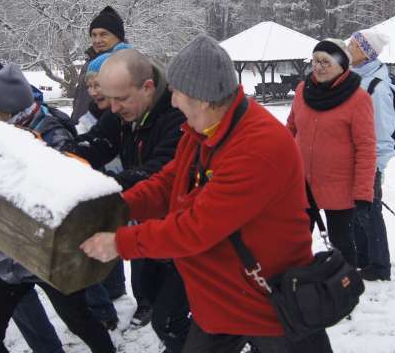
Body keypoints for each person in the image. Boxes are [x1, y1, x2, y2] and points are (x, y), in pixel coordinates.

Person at [80, 34, 332, 353]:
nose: (172, 102)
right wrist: (118, 207)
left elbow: (196, 227)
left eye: (177, 93)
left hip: (271, 301)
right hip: (219, 298)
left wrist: (120, 243)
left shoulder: (259, 146)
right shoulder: (201, 130)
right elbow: (169, 183)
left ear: (202, 99)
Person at [0, 64, 116, 353]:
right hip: (8, 256)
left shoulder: (51, 133)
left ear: (6, 110)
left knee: (81, 321)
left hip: (49, 255)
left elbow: (65, 188)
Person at [68, 49, 189, 351]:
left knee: (171, 317)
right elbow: (98, 142)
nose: (113, 108)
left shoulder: (177, 114)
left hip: (178, 230)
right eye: (110, 99)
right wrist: (65, 157)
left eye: (120, 99)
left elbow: (158, 172)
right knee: (154, 300)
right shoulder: (125, 108)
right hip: (146, 222)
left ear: (147, 88)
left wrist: (106, 190)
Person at [286, 38, 377, 268]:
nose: (318, 67)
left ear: (341, 65)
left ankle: (345, 283)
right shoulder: (302, 90)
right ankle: (297, 283)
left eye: (326, 62)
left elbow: (366, 148)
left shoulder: (358, 99)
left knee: (342, 244)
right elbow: (290, 130)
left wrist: (363, 193)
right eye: (315, 61)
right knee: (294, 242)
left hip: (340, 188)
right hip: (302, 184)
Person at [348, 29, 395, 282]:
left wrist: (376, 167)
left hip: (369, 161)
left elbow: (383, 132)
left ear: (366, 52)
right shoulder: (356, 77)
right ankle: (363, 258)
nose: (348, 47)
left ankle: (379, 265)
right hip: (352, 158)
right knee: (355, 211)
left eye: (353, 44)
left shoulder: (378, 87)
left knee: (370, 211)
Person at [71, 6, 131, 124]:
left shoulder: (125, 65)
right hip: (82, 128)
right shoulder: (89, 63)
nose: (97, 40)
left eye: (103, 34)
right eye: (94, 35)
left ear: (118, 36)